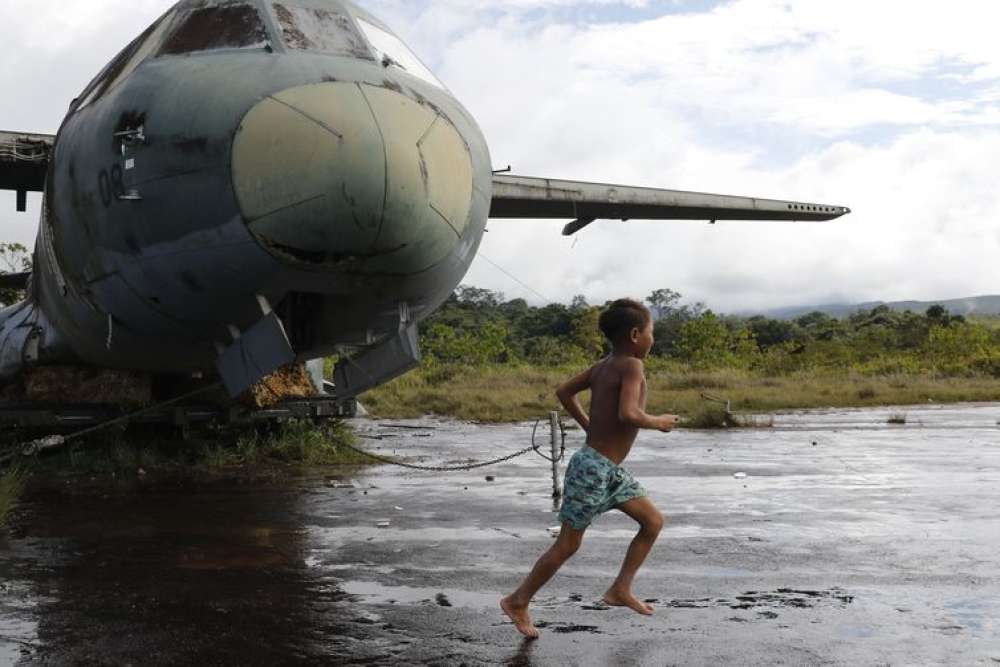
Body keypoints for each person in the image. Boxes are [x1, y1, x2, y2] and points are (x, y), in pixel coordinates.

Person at [501, 298, 680, 639]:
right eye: (651, 331)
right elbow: (629, 413)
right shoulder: (631, 366)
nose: (652, 338)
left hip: (608, 470)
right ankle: (517, 600)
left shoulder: (604, 365)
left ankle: (620, 589)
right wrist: (658, 421)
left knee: (652, 521)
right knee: (567, 544)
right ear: (635, 334)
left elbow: (564, 391)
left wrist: (589, 427)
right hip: (593, 469)